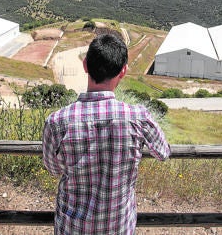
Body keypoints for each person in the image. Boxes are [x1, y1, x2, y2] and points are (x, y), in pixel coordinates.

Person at [42, 33, 170, 234]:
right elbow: (163, 152)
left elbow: (53, 168)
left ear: (85, 65)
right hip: (118, 226)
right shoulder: (138, 117)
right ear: (123, 71)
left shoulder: (57, 122)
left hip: (73, 227)